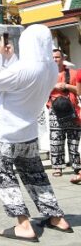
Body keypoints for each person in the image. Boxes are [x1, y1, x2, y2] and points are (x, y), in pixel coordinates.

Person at [0, 26, 73, 241]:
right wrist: (11, 58)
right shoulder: (51, 69)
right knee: (36, 176)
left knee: (4, 178)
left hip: (3, 133)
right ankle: (56, 217)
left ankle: (23, 225)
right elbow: (18, 80)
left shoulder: (24, 69)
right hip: (28, 132)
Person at [47, 48, 81, 180]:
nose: (55, 60)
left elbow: (78, 91)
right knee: (56, 139)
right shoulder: (47, 75)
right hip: (55, 110)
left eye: (57, 57)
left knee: (74, 139)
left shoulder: (73, 73)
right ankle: (57, 166)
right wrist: (54, 86)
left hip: (72, 109)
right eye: (53, 57)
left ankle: (77, 166)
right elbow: (42, 90)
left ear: (63, 58)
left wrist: (66, 86)